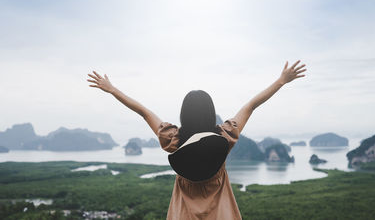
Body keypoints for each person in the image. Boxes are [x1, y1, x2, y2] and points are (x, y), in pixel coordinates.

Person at [87, 60, 306, 219]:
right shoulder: (224, 138)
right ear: (211, 113)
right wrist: (281, 81)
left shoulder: (173, 140)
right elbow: (250, 106)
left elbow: (144, 112)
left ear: (184, 115)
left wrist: (112, 90)